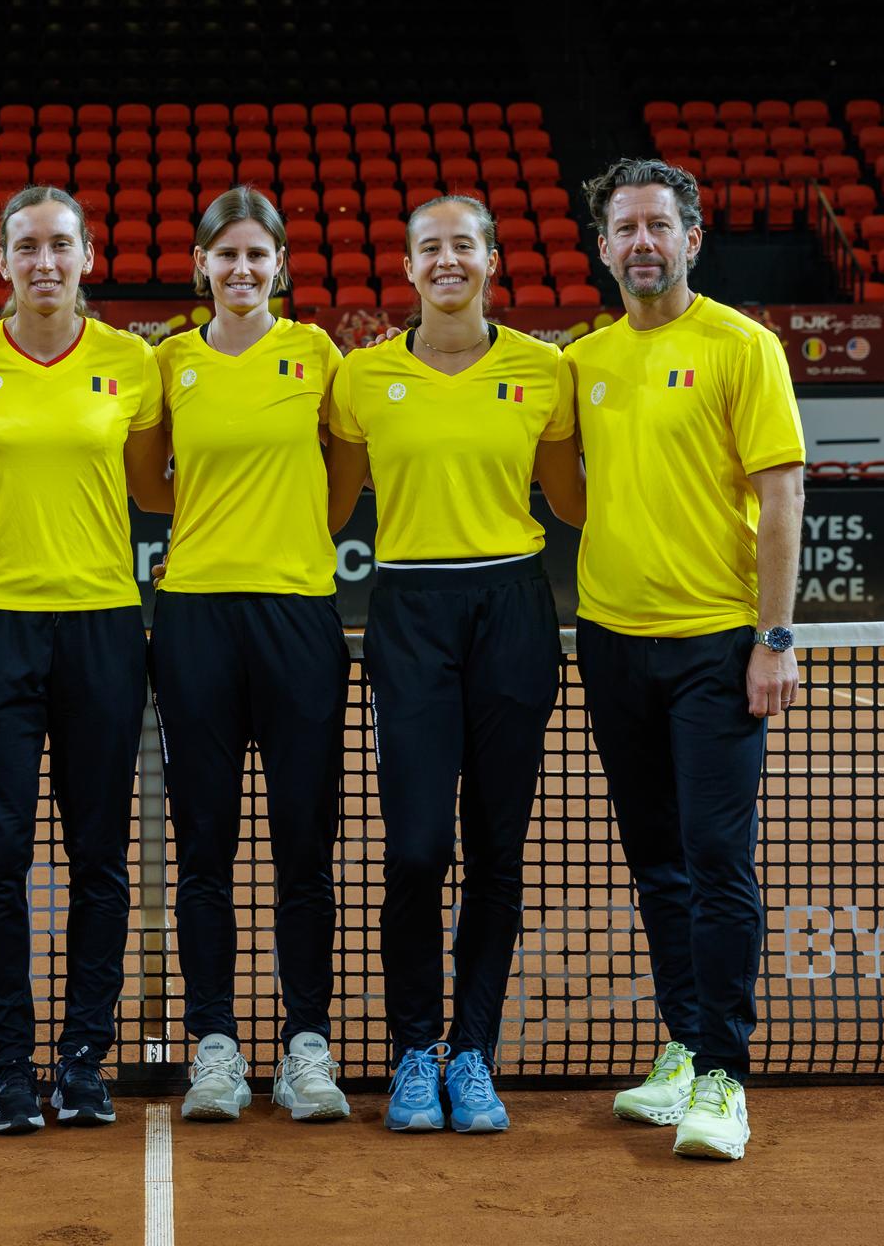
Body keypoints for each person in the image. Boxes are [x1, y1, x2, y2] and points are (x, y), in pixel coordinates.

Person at [325, 195, 583, 1134]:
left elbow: (574, 504)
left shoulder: (544, 370)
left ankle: (472, 1052)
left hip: (514, 606)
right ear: (407, 267)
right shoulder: (359, 378)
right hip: (408, 613)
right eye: (429, 248)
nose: (446, 261)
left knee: (497, 851)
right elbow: (322, 506)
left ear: (492, 259)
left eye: (462, 246)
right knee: (416, 848)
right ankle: (412, 1050)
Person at [564, 157, 805, 1162]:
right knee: (657, 860)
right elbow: (576, 493)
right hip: (611, 642)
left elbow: (783, 491)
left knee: (716, 859)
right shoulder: (585, 361)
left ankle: (724, 1073)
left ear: (692, 237)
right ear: (605, 245)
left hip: (716, 645)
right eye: (625, 227)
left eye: (659, 224)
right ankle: (679, 1043)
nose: (643, 242)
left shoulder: (743, 347)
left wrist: (774, 637)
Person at [0, 185, 169, 1135]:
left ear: (88, 256)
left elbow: (152, 491)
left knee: (99, 856)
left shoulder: (131, 363)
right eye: (26, 247)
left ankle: (82, 1059)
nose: (44, 263)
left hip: (106, 626)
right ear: (2, 262)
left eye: (61, 245)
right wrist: (11, 535)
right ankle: (9, 1067)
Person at [133, 187, 351, 1123]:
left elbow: (345, 473)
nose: (241, 271)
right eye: (225, 257)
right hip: (193, 621)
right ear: (200, 268)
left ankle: (307, 1044)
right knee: (205, 845)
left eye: (257, 256)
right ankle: (214, 1044)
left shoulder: (318, 355)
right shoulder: (169, 362)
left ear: (280, 267)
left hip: (300, 617)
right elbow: (150, 483)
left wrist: (294, 542)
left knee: (305, 843)